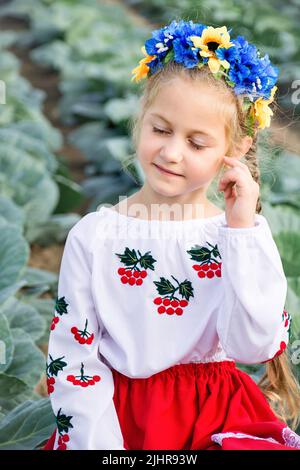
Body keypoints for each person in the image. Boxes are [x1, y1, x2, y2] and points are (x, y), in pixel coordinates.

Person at [42, 20, 300, 450]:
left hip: (215, 421)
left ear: (233, 149)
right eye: (161, 129)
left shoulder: (238, 236)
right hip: (118, 422)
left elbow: (254, 345)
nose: (171, 152)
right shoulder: (95, 236)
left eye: (197, 143)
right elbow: (74, 359)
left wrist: (241, 231)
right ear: (141, 117)